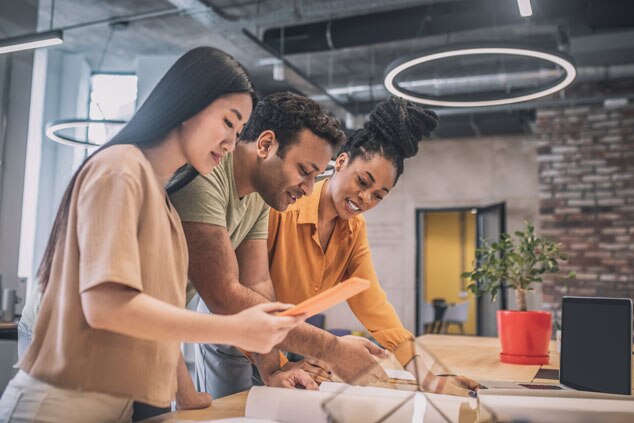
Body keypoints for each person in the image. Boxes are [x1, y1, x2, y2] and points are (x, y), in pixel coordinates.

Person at [0, 47, 305, 423]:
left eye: (239, 131)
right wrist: (234, 328)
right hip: (56, 408)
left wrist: (187, 395)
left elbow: (159, 316)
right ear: (189, 103)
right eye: (228, 122)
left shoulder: (160, 201)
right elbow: (108, 306)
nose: (230, 143)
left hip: (112, 405)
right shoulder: (120, 169)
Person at [168, 91, 389, 400]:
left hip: (158, 342)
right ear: (266, 144)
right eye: (304, 171)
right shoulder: (205, 177)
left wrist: (272, 370)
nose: (309, 188)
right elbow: (224, 296)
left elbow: (257, 282)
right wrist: (332, 349)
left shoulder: (261, 195)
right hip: (118, 341)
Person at [266, 96, 481, 396]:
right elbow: (252, 297)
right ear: (341, 162)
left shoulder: (353, 230)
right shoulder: (285, 206)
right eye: (363, 181)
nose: (366, 198)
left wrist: (428, 378)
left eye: (379, 195)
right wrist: (280, 365)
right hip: (240, 344)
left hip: (286, 345)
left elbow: (374, 305)